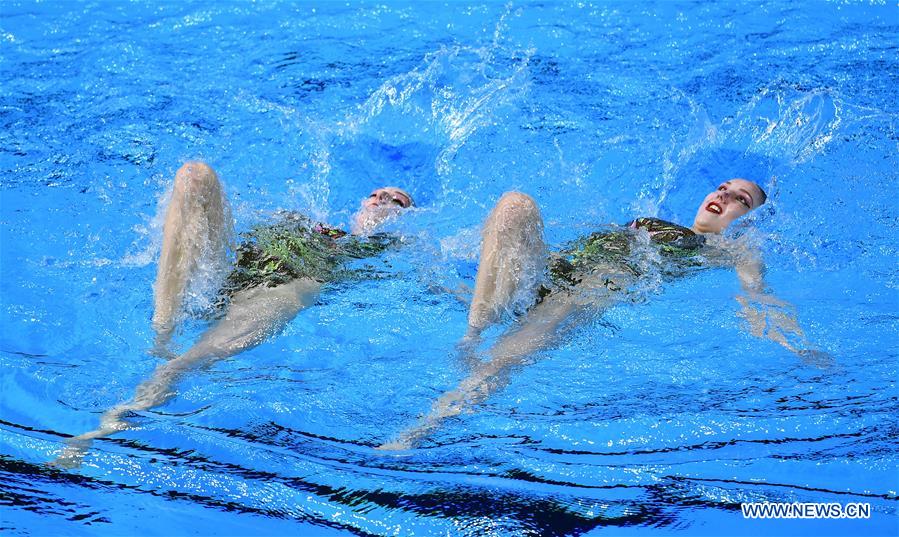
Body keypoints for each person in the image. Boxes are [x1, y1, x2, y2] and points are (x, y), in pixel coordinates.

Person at [380, 178, 830, 450]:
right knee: (514, 204)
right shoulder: (647, 219)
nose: (724, 196)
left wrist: (796, 343)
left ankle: (418, 432)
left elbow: (758, 297)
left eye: (740, 200)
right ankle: (473, 331)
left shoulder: (734, 249)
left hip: (583, 295)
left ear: (748, 220)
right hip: (552, 272)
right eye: (723, 188)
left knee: (504, 360)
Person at [53, 161, 414, 467]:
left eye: (396, 201)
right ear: (360, 203)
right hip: (235, 270)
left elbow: (444, 282)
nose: (382, 198)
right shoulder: (305, 219)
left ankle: (102, 429)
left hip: (277, 292)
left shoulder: (386, 251)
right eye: (376, 194)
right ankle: (162, 330)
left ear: (404, 220)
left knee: (185, 363)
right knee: (195, 176)